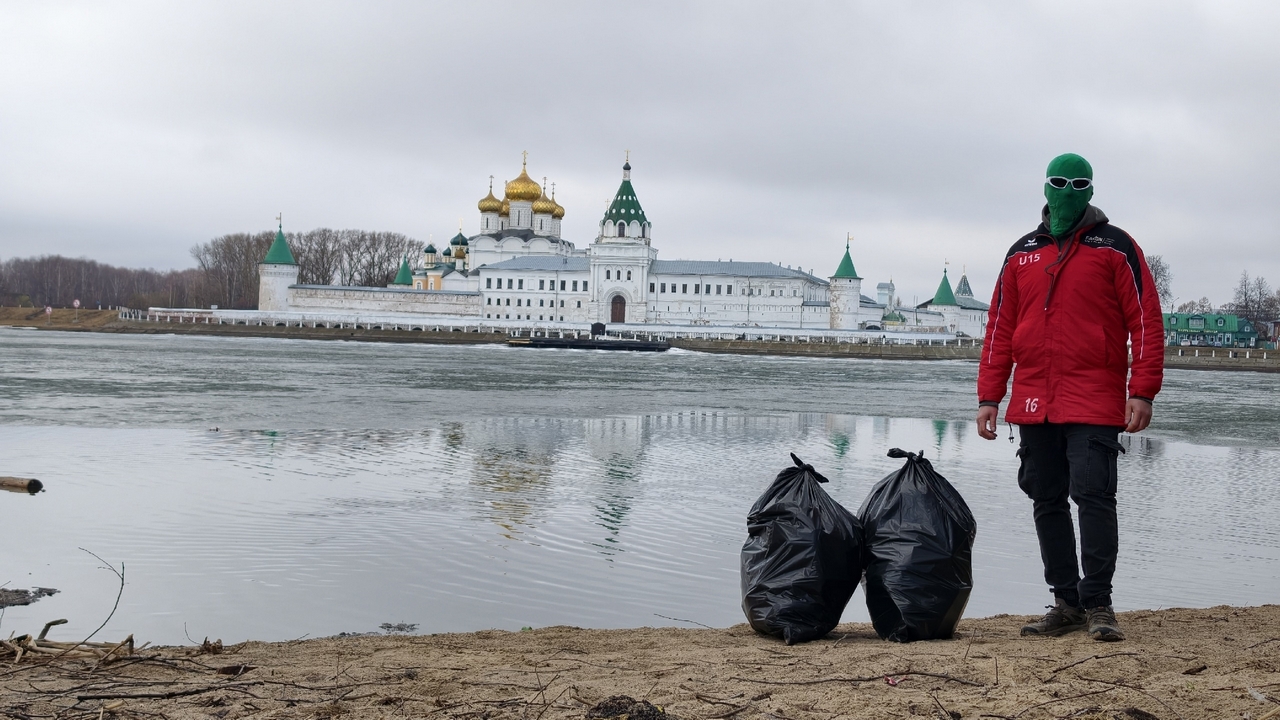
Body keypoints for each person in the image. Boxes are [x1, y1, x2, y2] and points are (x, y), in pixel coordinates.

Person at [976, 153, 1164, 642]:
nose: (1068, 190)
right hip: (1034, 401)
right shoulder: (1021, 252)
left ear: (1091, 190)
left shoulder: (1116, 245)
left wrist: (1142, 390)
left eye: (1079, 183)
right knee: (1046, 499)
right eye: (1059, 182)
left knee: (1094, 497)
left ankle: (1098, 602)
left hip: (1096, 398)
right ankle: (1066, 602)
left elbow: (1145, 320)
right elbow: (999, 328)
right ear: (1045, 187)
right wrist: (989, 396)